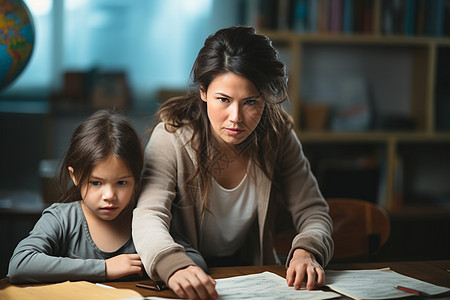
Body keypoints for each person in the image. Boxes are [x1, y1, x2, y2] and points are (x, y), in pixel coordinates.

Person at [133, 26, 333, 300]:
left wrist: (306, 251)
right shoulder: (171, 137)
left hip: (251, 279)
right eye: (223, 100)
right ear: (203, 92)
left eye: (251, 102)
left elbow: (313, 210)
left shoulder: (278, 133)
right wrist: (172, 265)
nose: (236, 118)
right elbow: (148, 214)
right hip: (184, 276)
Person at [8, 110, 145, 283]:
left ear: (137, 177)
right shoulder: (62, 219)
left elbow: (188, 258)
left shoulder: (146, 219)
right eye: (96, 183)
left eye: (122, 183)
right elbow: (20, 264)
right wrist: (104, 268)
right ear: (75, 176)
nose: (109, 195)